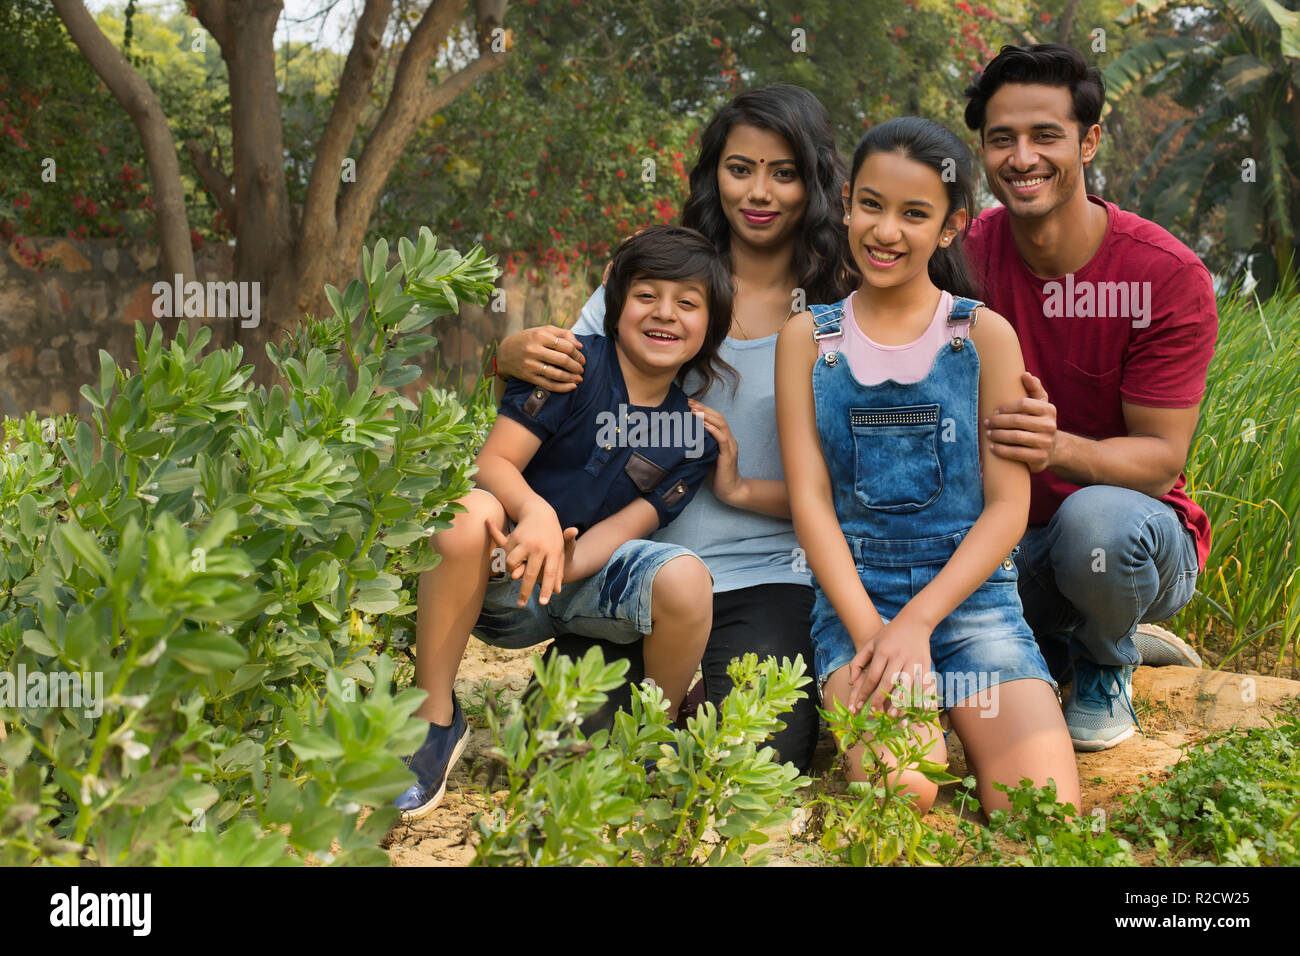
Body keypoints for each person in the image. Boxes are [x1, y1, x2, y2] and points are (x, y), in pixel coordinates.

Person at [492, 86, 854, 774]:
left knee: (753, 760)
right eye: (740, 167)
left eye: (783, 172)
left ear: (813, 181)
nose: (760, 191)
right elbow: (558, 381)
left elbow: (852, 482)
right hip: (635, 564)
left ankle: (704, 696)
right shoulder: (660, 279)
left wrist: (742, 490)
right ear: (713, 173)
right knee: (564, 756)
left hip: (768, 573)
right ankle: (647, 686)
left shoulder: (842, 308)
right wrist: (504, 355)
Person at [775, 116, 1081, 815]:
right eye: (874, 206)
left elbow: (1008, 507)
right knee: (906, 791)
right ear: (848, 202)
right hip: (860, 601)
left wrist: (919, 622)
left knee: (1037, 808)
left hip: (975, 602)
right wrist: (873, 631)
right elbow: (812, 502)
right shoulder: (808, 339)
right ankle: (905, 717)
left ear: (950, 227)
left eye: (916, 214)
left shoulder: (981, 337)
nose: (887, 231)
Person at [395, 226, 726, 820]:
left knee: (686, 579)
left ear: (712, 325)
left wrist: (561, 564)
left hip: (582, 585)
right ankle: (434, 719)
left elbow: (625, 528)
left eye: (688, 303)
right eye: (647, 295)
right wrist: (537, 516)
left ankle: (648, 738)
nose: (665, 315)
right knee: (467, 511)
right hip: (500, 575)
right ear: (616, 302)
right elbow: (493, 462)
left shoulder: (692, 435)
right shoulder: (567, 365)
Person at [963, 44, 1218, 751]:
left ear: (1089, 139)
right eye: (1001, 138)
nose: (1022, 158)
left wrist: (1058, 449)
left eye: (1045, 135)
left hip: (1131, 534)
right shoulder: (961, 256)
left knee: (1093, 525)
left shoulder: (1165, 276)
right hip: (1005, 540)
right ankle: (1070, 637)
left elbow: (1162, 461)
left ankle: (1107, 660)